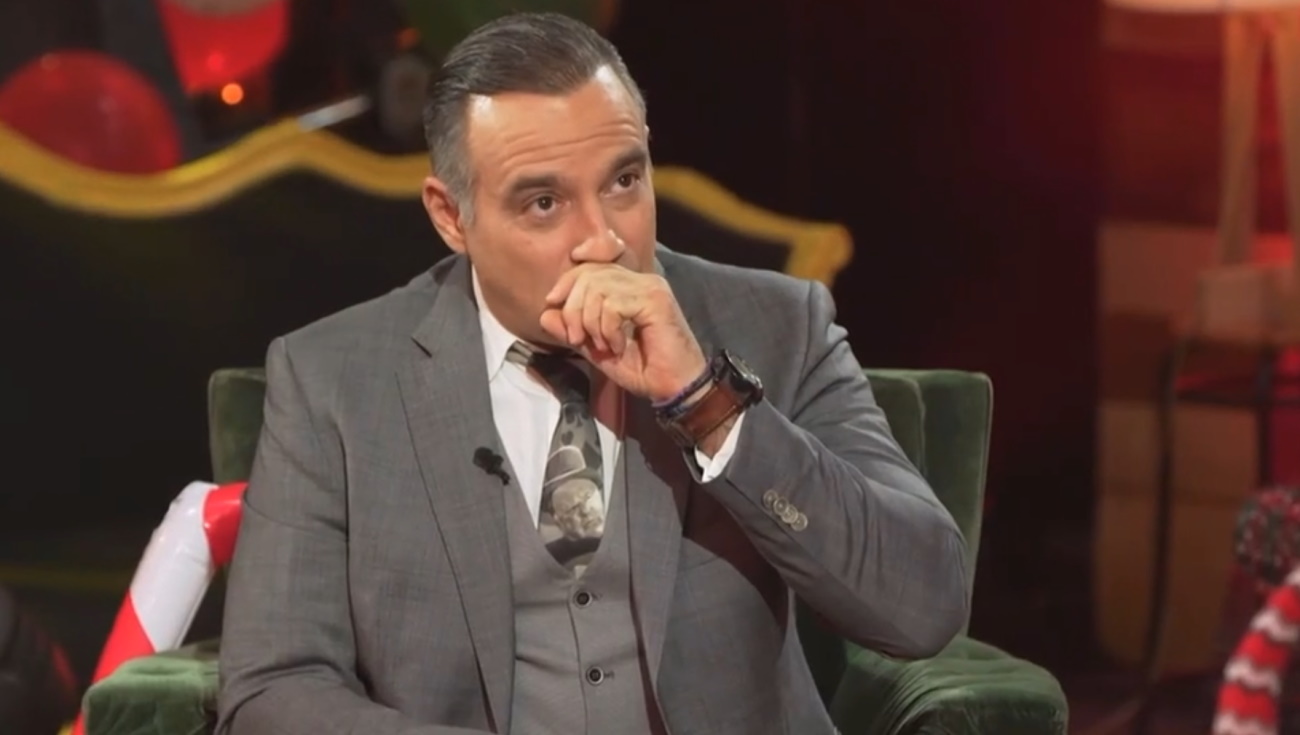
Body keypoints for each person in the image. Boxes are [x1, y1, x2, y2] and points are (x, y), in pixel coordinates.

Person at [216, 11, 968, 735]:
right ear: (451, 216)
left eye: (623, 181)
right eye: (544, 202)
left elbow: (921, 608)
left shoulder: (776, 326)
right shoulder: (332, 380)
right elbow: (271, 691)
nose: (603, 241)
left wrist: (708, 404)